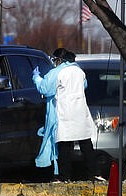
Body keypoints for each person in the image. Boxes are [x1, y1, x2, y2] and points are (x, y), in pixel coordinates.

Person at [33, 48, 103, 182]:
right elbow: (84, 86)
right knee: (86, 144)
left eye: (54, 60)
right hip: (81, 113)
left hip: (64, 113)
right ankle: (93, 173)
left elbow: (45, 89)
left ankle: (64, 176)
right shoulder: (79, 71)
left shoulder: (56, 73)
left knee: (65, 147)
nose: (53, 63)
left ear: (59, 60)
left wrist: (36, 78)